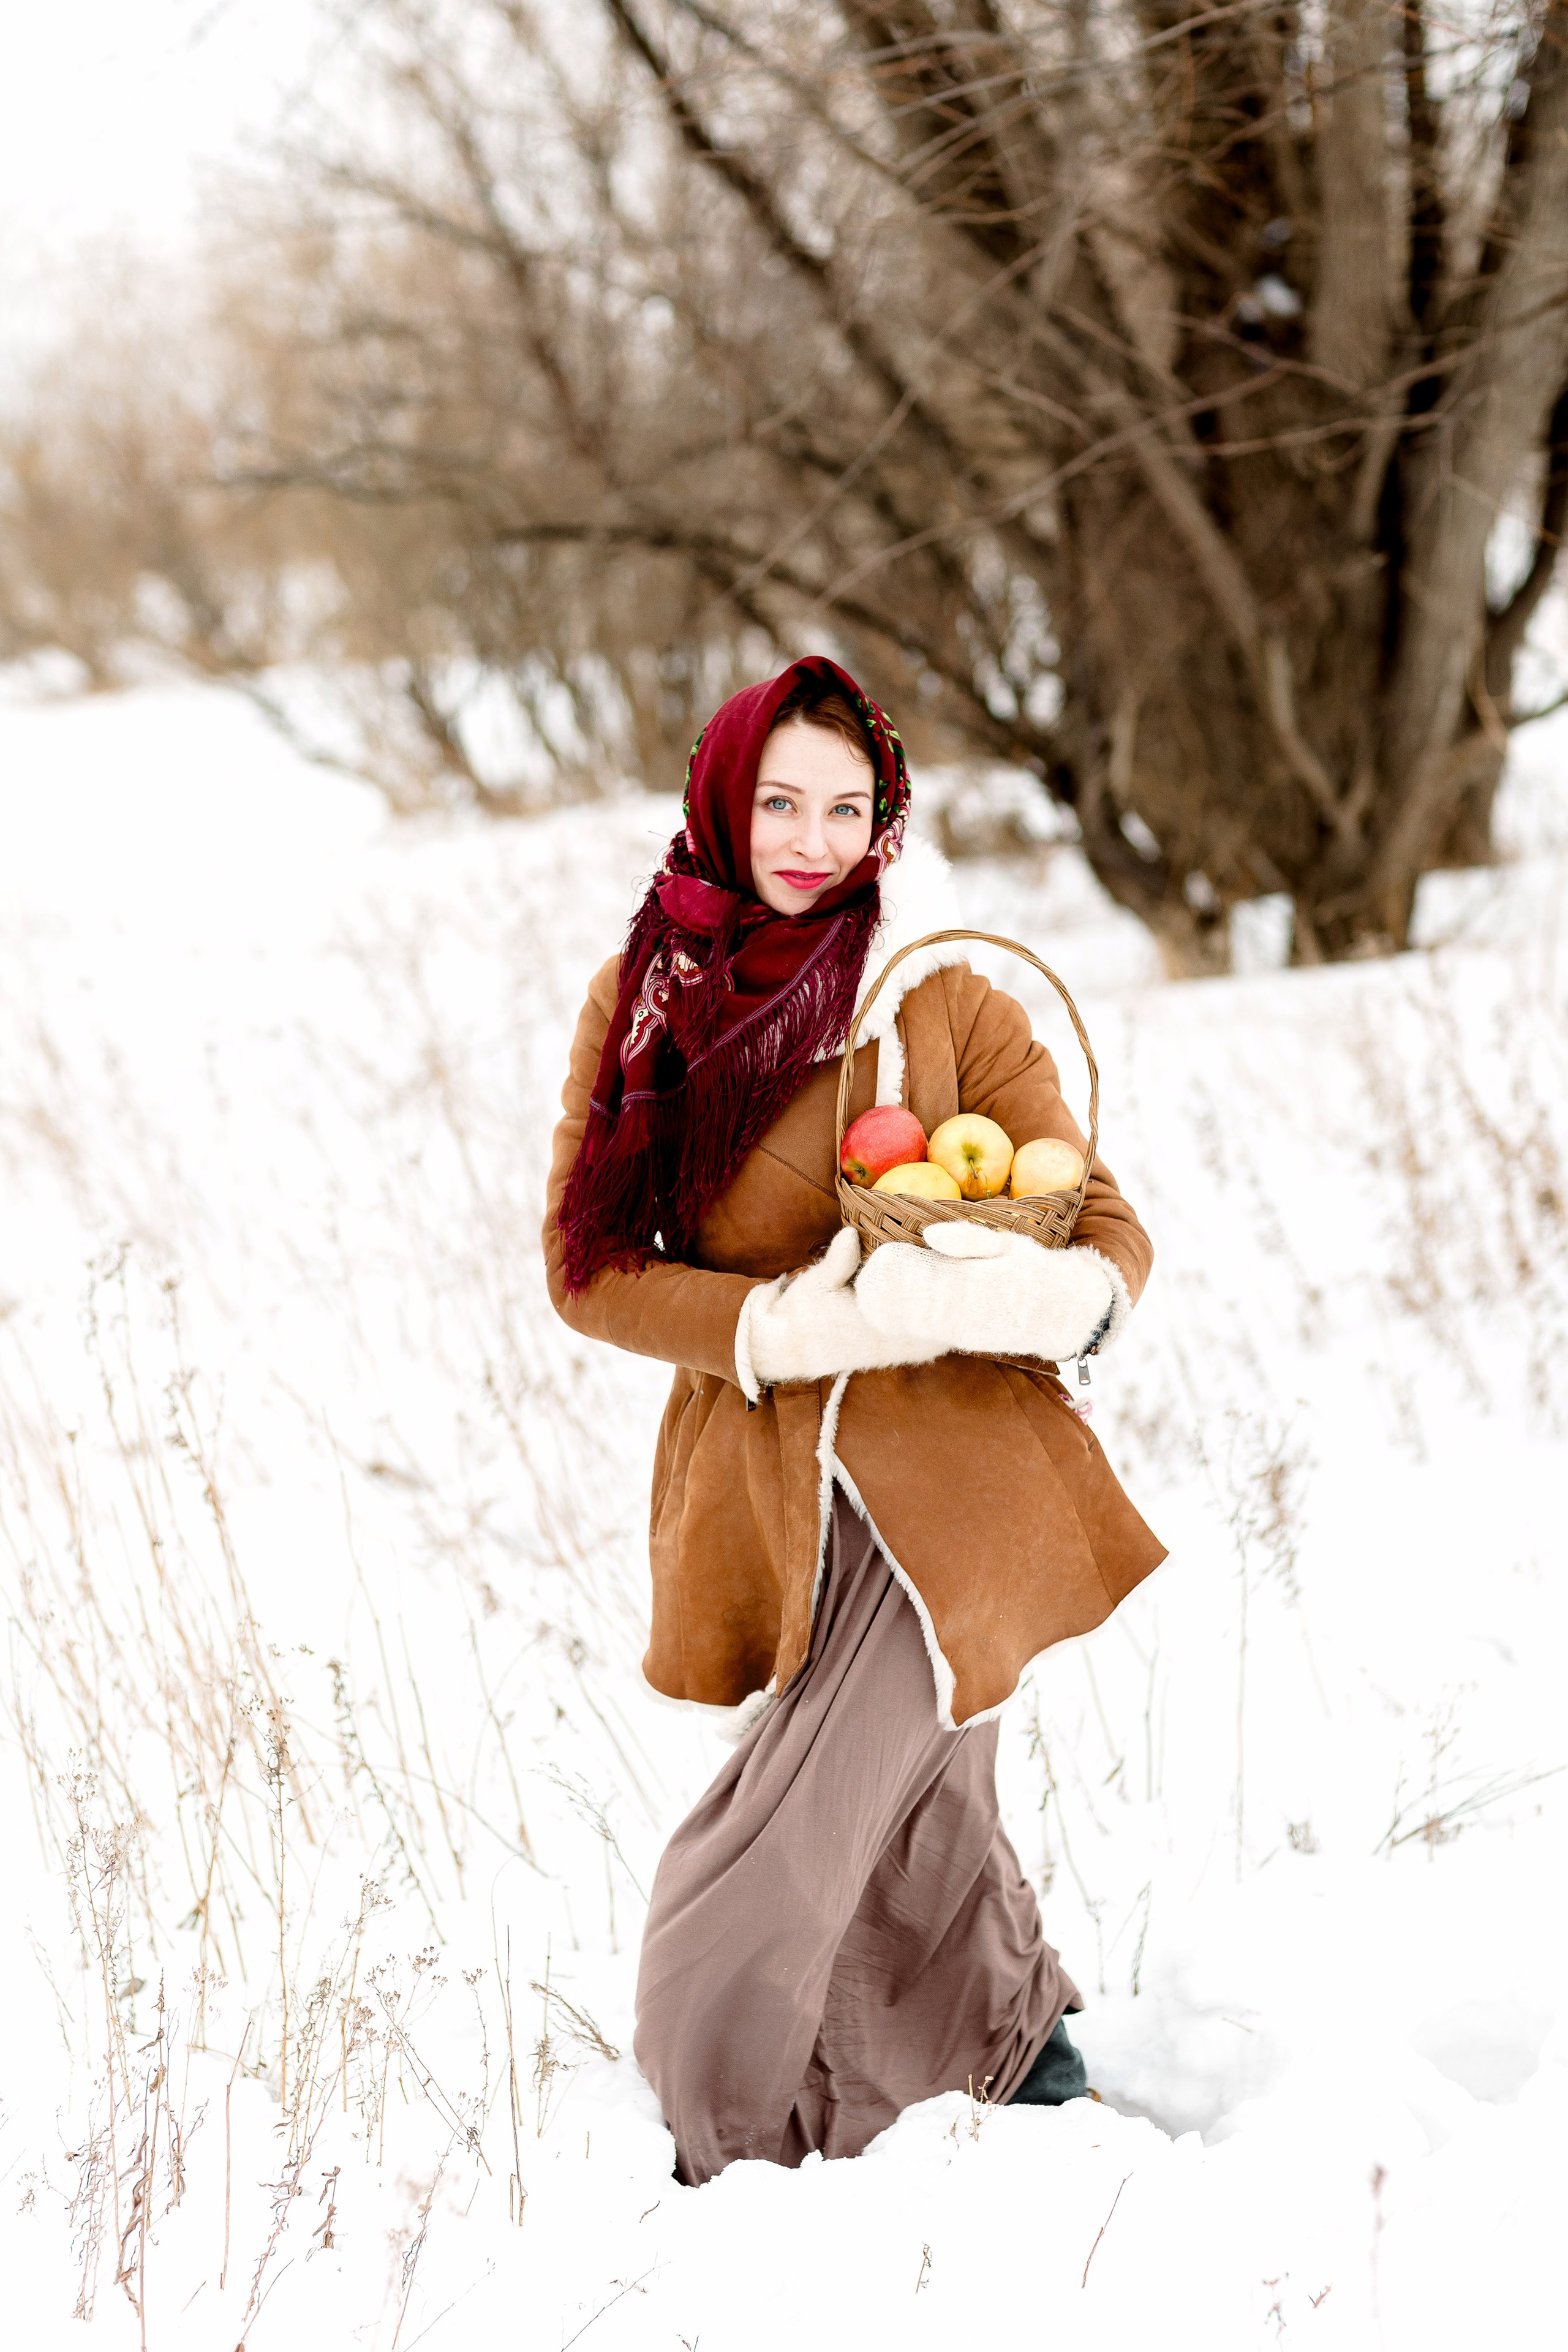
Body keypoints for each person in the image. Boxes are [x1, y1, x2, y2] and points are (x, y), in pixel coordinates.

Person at [543, 657, 1164, 2187]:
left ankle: (716, 2114)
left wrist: (1044, 1299)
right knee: (919, 1794)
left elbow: (1093, 1211)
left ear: (885, 819)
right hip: (773, 1483)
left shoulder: (941, 995)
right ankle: (1018, 2060)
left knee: (808, 1816)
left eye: (846, 807)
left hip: (957, 1484)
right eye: (778, 804)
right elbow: (588, 1268)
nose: (810, 840)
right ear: (722, 802)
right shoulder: (646, 1004)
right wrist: (776, 1323)